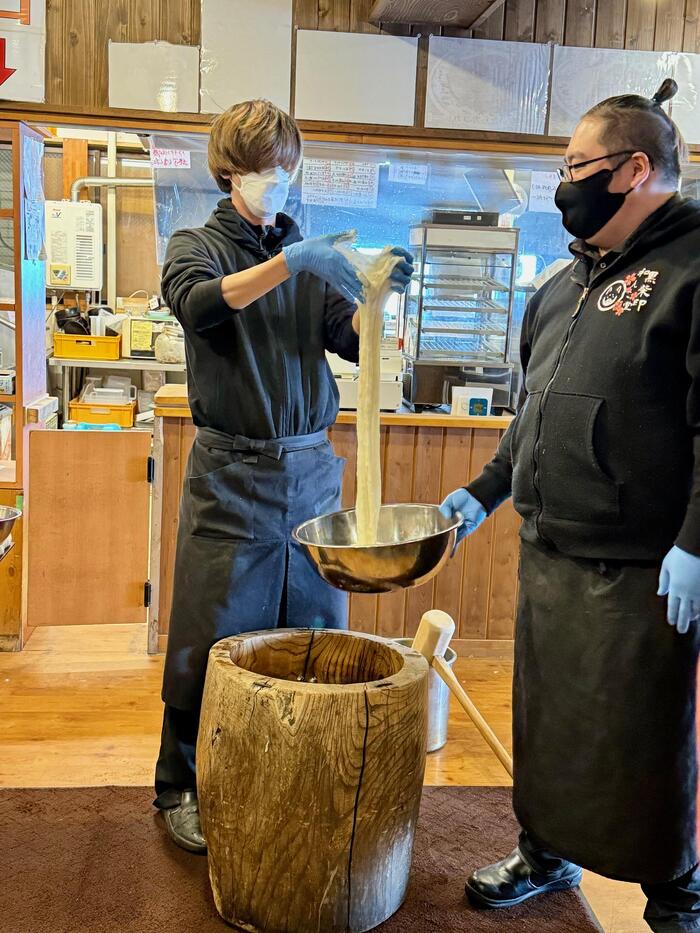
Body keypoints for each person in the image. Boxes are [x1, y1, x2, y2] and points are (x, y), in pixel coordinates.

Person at [441, 78, 700, 932]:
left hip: (644, 571)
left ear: (633, 169)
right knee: (546, 724)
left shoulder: (692, 270)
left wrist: (697, 542)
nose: (564, 184)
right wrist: (483, 493)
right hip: (550, 552)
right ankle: (543, 853)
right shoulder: (562, 284)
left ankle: (677, 899)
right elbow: (535, 409)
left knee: (641, 750)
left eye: (576, 166)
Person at [154, 99, 413, 853]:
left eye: (288, 169)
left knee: (314, 630)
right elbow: (199, 306)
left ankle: (292, 765)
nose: (280, 182)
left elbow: (352, 338)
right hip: (231, 475)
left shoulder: (310, 252)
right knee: (211, 633)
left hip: (309, 475)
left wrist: (379, 291)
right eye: (267, 169)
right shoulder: (196, 245)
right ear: (229, 171)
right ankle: (179, 783)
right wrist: (290, 263)